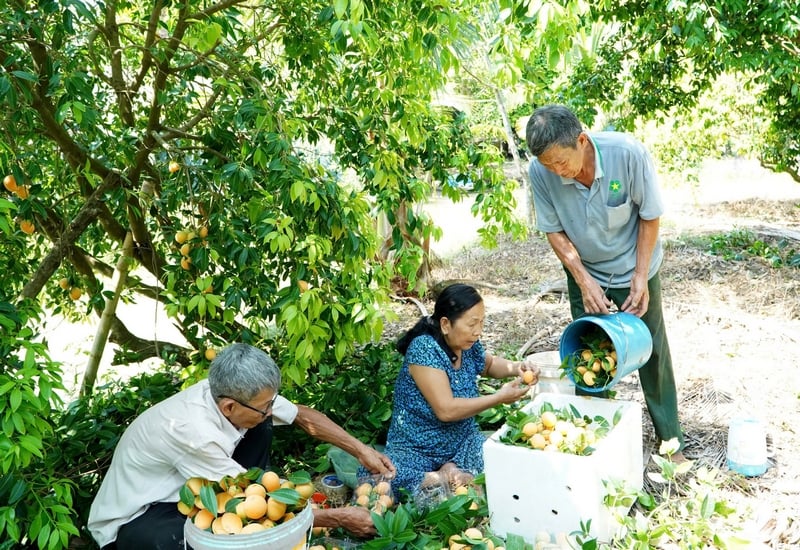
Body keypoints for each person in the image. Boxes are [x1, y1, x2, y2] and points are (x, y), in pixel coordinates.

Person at [87, 343, 396, 549]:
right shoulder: (194, 432)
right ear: (229, 407)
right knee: (219, 536)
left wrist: (361, 450)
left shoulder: (235, 392)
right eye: (264, 405)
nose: (270, 409)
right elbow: (251, 501)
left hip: (191, 485)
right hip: (141, 517)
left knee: (260, 426)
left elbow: (303, 416)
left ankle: (262, 504)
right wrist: (338, 518)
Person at [525, 104, 686, 461]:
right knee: (589, 352)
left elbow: (650, 217)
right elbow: (554, 231)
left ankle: (670, 441)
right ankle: (597, 440)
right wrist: (583, 281)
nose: (556, 171)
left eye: (560, 162)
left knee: (652, 348)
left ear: (582, 140)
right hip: (585, 269)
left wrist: (640, 276)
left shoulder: (627, 154)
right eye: (548, 164)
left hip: (635, 263)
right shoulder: (541, 170)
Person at [379, 283, 539, 496]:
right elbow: (446, 410)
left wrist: (518, 367)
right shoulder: (424, 349)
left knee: (504, 461)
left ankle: (452, 470)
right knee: (383, 479)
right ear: (446, 324)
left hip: (462, 442)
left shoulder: (468, 344)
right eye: (472, 324)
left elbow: (489, 365)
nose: (478, 331)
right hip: (417, 447)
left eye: (481, 322)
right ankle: (440, 477)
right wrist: (499, 397)